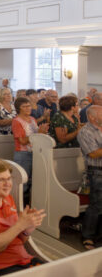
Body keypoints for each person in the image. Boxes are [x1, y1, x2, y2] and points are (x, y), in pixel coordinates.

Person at [76, 105, 102, 250]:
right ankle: (88, 236)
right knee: (96, 205)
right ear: (92, 117)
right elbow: (93, 153)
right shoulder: (85, 131)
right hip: (96, 171)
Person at [11, 97, 49, 192]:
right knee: (22, 183)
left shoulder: (32, 119)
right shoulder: (17, 121)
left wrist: (43, 132)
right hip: (23, 154)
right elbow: (22, 141)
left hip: (35, 152)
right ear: (18, 108)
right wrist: (38, 133)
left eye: (29, 106)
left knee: (34, 181)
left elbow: (37, 137)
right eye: (24, 106)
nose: (28, 108)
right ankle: (19, 205)